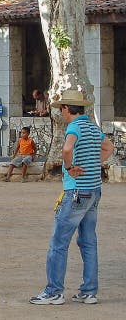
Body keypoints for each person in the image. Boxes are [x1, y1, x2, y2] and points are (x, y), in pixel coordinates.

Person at [29, 89, 115, 306]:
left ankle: (54, 291)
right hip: (94, 190)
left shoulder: (74, 127)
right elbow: (109, 147)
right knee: (88, 242)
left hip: (76, 191)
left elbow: (67, 149)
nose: (61, 113)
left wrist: (69, 167)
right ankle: (89, 291)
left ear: (67, 109)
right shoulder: (93, 128)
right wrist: (94, 163)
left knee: (59, 242)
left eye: (62, 109)